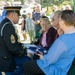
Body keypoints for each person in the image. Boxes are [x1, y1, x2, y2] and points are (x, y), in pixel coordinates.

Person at [23, 10, 75, 75]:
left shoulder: (62, 40)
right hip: (67, 65)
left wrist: (43, 57)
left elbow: (50, 60)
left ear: (62, 21)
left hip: (59, 69)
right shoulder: (69, 36)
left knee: (27, 65)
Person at [0, 6, 30, 74]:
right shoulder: (8, 26)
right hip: (6, 59)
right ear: (12, 15)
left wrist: (21, 45)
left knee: (27, 62)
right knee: (28, 62)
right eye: (18, 16)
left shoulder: (4, 23)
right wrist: (23, 51)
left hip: (6, 56)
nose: (19, 18)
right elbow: (12, 47)